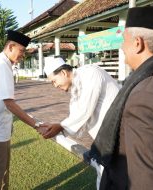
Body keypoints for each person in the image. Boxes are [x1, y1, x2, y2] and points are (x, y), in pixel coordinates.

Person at [88, 7, 153, 190]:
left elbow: (146, 178)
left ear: (137, 43)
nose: (121, 47)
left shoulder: (143, 95)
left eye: (123, 40)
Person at [38, 56, 120, 189]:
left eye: (54, 81)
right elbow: (76, 117)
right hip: (105, 137)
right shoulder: (76, 86)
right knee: (105, 175)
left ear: (64, 73)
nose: (55, 85)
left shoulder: (89, 73)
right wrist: (58, 126)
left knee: (112, 177)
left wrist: (60, 126)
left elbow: (84, 110)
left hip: (117, 133)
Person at [0, 30, 45, 190]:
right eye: (21, 51)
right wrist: (35, 124)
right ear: (10, 46)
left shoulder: (1, 62)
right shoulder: (2, 65)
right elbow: (10, 103)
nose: (23, 56)